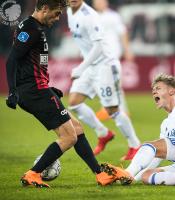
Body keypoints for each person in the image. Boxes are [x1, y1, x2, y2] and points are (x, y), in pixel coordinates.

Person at [5, 0, 128, 188]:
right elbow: (12, 58)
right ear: (44, 8)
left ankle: (100, 174)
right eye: (55, 13)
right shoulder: (31, 29)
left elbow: (27, 63)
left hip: (38, 89)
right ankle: (33, 174)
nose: (57, 17)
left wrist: (46, 87)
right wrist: (13, 91)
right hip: (33, 91)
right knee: (69, 137)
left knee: (76, 128)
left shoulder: (34, 27)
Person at [67, 0, 141, 160]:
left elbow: (99, 46)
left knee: (112, 109)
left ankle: (135, 145)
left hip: (105, 65)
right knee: (74, 102)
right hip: (90, 65)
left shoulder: (91, 16)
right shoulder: (69, 12)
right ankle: (103, 133)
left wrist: (81, 67)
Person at [110, 73, 175, 185]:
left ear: (172, 91)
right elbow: (157, 156)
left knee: (149, 146)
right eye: (153, 90)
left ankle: (127, 173)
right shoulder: (165, 124)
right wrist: (135, 178)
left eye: (158, 88)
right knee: (146, 176)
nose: (154, 92)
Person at [92, 0, 134, 121]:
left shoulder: (113, 16)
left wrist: (127, 50)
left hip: (112, 53)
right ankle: (109, 108)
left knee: (114, 82)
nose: (98, 3)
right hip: (98, 55)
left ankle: (122, 110)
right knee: (102, 82)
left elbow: (123, 33)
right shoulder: (91, 16)